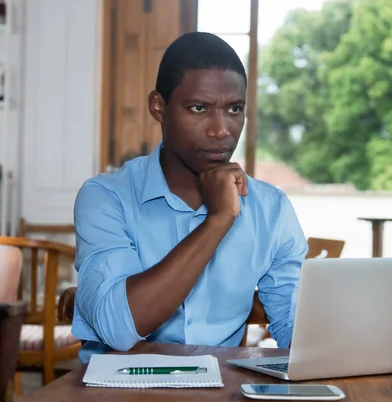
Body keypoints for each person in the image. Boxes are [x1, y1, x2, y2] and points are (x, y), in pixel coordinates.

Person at [72, 32, 308, 363]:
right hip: (117, 393)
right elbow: (118, 329)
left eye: (234, 109)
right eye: (199, 108)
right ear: (158, 107)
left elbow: (299, 329)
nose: (221, 129)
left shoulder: (271, 209)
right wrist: (218, 220)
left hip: (222, 392)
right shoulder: (106, 197)